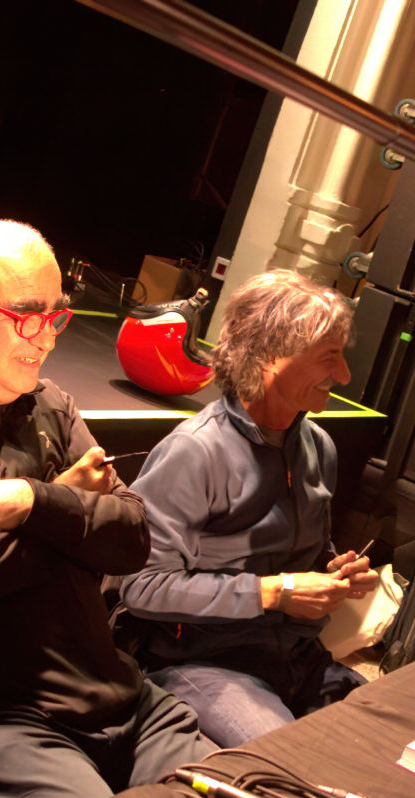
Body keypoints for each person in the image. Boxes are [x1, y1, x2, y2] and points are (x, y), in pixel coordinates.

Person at [0, 220, 210, 798]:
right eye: (25, 316)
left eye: (55, 316)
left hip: (124, 697)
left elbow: (133, 535)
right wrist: (74, 515)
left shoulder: (53, 406)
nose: (45, 337)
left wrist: (33, 501)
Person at [114, 269, 378, 747]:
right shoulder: (196, 451)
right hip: (203, 662)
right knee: (289, 763)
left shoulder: (318, 446)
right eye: (329, 358)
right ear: (271, 356)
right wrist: (273, 592)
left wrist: (335, 572)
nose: (344, 376)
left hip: (295, 653)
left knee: (384, 742)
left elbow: (306, 553)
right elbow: (140, 586)